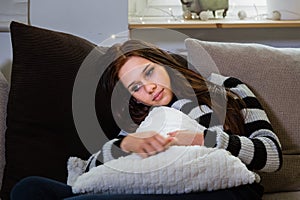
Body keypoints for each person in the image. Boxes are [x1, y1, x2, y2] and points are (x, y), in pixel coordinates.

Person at [10, 39, 282, 200]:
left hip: (224, 189)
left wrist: (203, 138)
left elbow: (272, 156)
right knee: (29, 188)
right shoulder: (144, 118)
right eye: (136, 88)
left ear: (163, 63)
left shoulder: (226, 89)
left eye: (149, 73)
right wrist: (126, 145)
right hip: (158, 186)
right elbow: (93, 167)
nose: (148, 88)